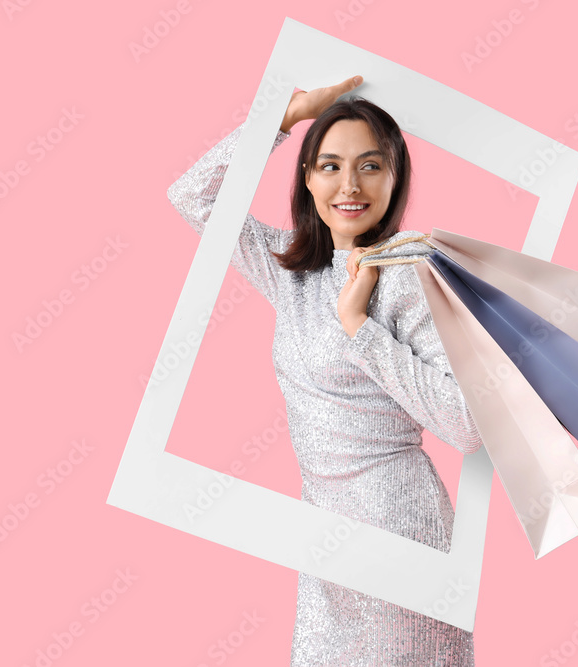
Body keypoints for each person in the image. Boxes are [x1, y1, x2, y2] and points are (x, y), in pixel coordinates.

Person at [166, 74, 482, 666]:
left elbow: (468, 424)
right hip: (322, 533)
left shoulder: (411, 278)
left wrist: (360, 326)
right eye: (330, 165)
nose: (349, 185)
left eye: (369, 165)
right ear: (307, 178)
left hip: (400, 525)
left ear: (396, 177)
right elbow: (192, 197)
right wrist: (283, 120)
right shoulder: (290, 273)